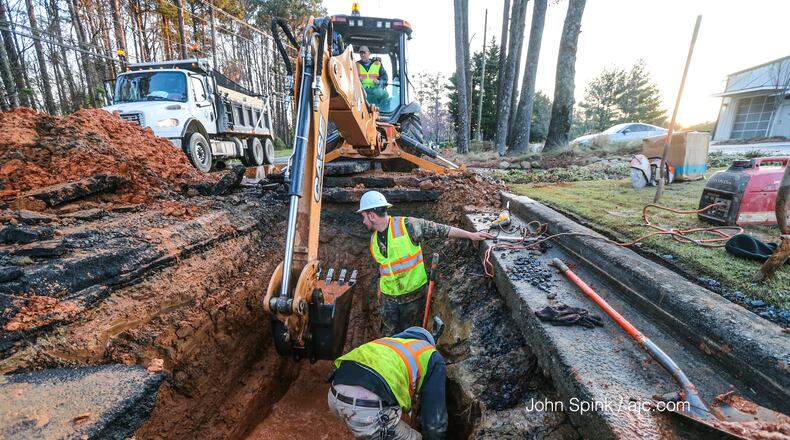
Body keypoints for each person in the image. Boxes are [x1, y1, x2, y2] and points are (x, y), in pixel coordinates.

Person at [357, 190, 492, 336]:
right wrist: (379, 289)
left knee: (412, 338)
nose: (363, 221)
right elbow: (383, 266)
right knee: (391, 341)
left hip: (413, 298)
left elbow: (440, 229)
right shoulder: (373, 240)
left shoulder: (407, 226)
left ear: (371, 215)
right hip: (388, 300)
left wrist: (470, 235)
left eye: (363, 217)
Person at [328, 326, 447, 439]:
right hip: (365, 407)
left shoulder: (387, 343)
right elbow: (435, 424)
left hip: (335, 395)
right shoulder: (432, 356)